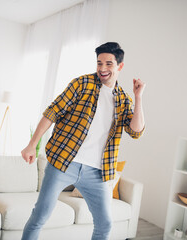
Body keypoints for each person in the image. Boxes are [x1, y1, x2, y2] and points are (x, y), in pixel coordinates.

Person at [21, 42, 145, 240]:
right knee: (40, 216)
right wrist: (31, 144)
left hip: (98, 172)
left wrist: (138, 97)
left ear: (120, 66)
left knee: (105, 224)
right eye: (99, 63)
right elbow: (52, 112)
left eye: (109, 64)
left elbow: (136, 131)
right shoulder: (82, 84)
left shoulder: (123, 99)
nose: (102, 69)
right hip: (64, 163)